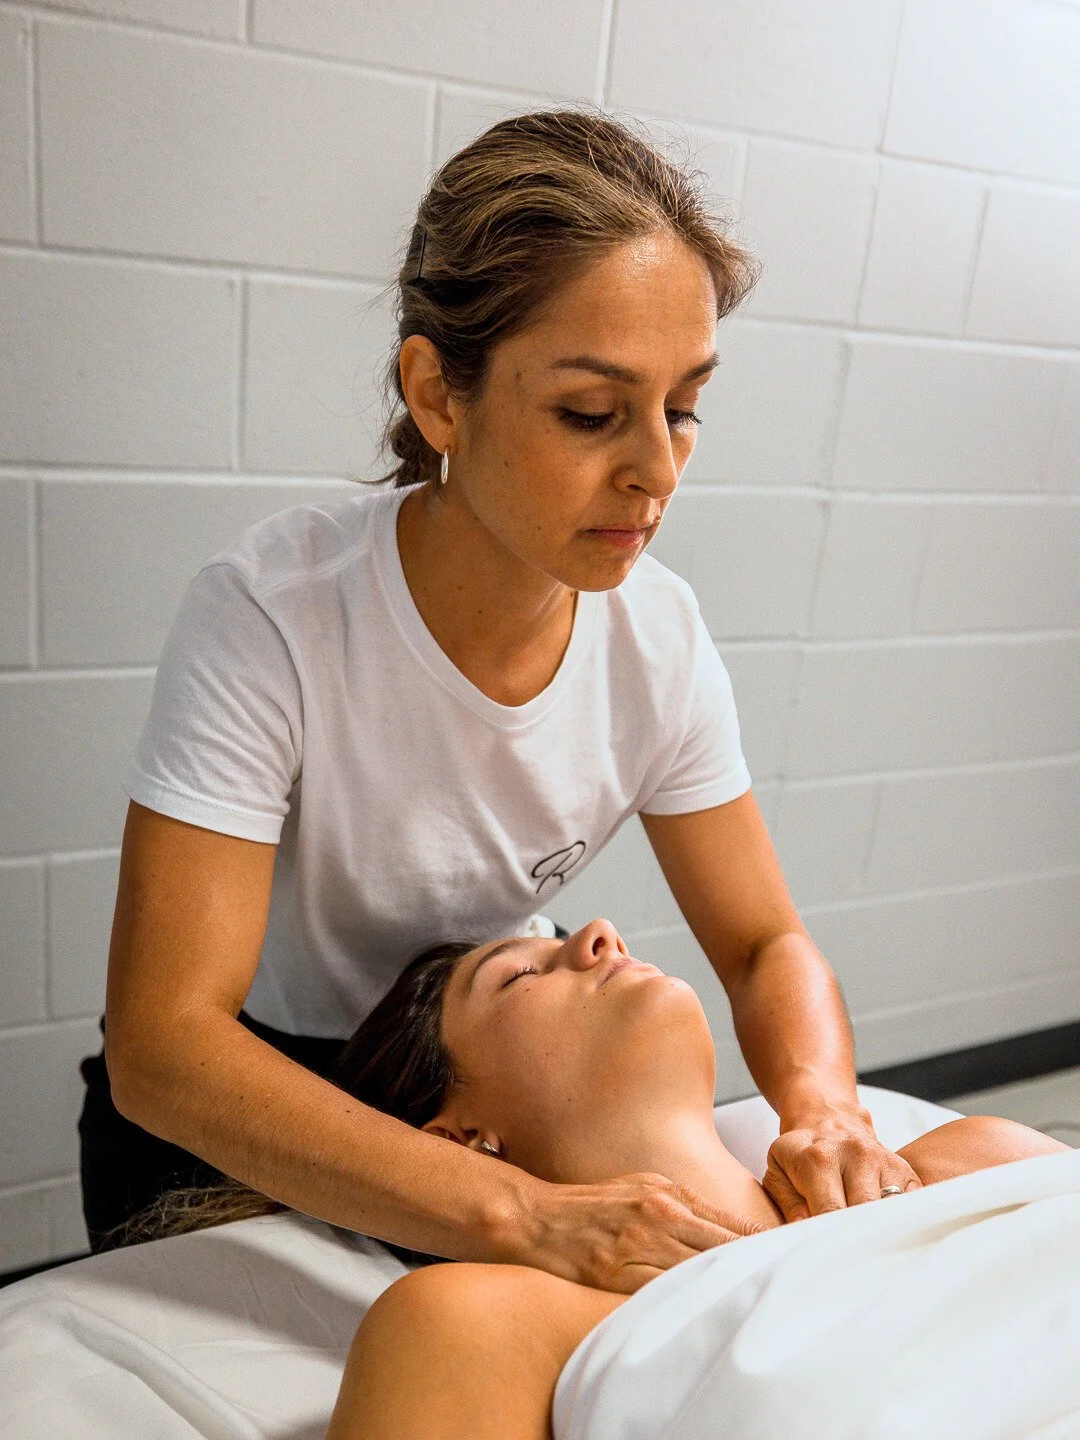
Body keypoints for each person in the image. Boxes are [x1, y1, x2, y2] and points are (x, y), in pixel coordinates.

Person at [87, 105, 913, 1282]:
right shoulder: (274, 610)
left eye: (683, 405)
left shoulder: (659, 642)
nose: (658, 469)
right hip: (244, 1104)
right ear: (437, 395)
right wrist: (519, 1213)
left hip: (481, 1085)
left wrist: (823, 1101)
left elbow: (764, 939)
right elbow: (165, 1048)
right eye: (591, 412)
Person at [286, 916, 1071, 1440]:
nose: (599, 933)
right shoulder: (484, 1327)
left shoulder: (968, 1158)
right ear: (462, 1143)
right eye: (521, 973)